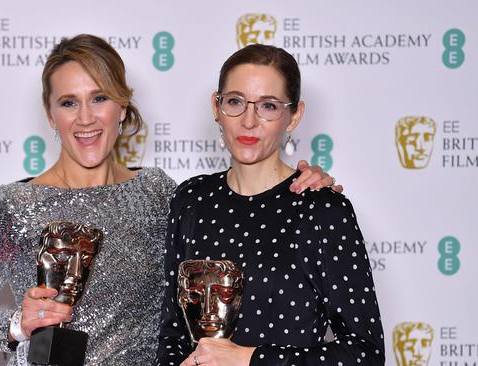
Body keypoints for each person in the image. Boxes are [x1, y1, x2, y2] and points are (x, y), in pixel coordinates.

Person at [0, 35, 336, 366]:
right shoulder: (15, 204)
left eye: (100, 98)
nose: (86, 118)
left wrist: (300, 187)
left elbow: (237, 224)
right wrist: (18, 324)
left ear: (122, 106)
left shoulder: (160, 193)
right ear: (50, 113)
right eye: (69, 102)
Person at [155, 44, 384, 366]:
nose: (249, 121)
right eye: (235, 101)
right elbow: (173, 334)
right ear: (216, 107)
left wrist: (251, 359)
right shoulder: (191, 199)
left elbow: (365, 353)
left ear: (294, 115)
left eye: (268, 106)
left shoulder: (323, 209)